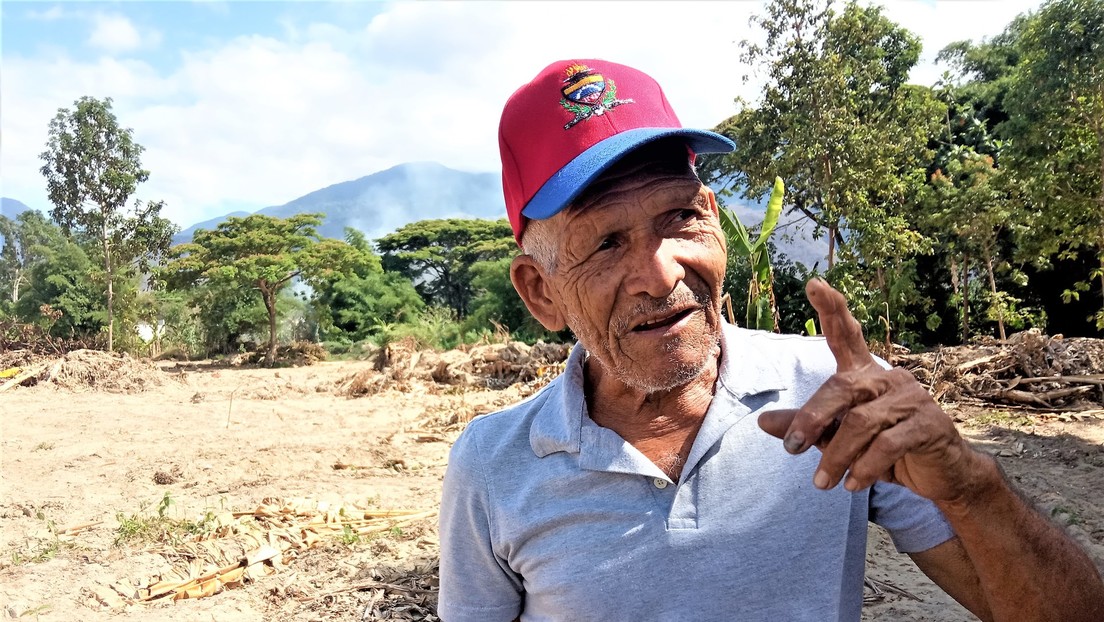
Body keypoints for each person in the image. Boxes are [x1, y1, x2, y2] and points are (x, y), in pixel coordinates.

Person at [438, 59, 1104, 621]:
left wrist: (970, 485)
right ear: (539, 291)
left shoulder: (830, 391)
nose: (661, 273)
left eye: (680, 217)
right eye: (607, 242)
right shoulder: (495, 465)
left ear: (717, 223)